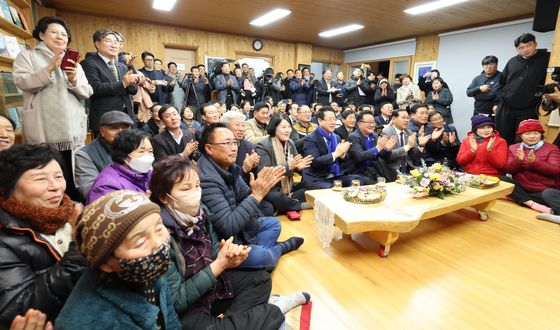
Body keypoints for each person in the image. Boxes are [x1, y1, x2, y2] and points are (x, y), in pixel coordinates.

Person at [150, 157, 309, 329]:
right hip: (188, 309)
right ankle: (271, 312)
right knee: (265, 308)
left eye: (197, 186)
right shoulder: (159, 234)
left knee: (260, 278)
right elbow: (175, 302)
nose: (196, 192)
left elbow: (214, 248)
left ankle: (247, 321)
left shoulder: (201, 212)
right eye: (186, 188)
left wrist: (227, 254)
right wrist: (219, 264)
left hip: (210, 288)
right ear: (164, 197)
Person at [56, 190, 181, 329]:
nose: (158, 244)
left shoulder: (149, 270)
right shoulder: (86, 322)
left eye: (159, 229)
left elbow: (170, 319)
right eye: (140, 242)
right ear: (105, 264)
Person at [0, 144, 87, 326]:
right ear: (8, 188)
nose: (55, 187)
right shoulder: (5, 238)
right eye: (40, 179)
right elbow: (17, 309)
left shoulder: (76, 211)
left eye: (59, 177)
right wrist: (79, 247)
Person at [197, 123, 304, 269]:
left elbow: (246, 195)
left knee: (273, 223)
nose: (234, 148)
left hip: (240, 231)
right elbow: (227, 227)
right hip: (224, 244)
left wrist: (258, 191)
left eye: (235, 142)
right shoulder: (207, 180)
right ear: (209, 148)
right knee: (262, 256)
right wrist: (256, 195)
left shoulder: (230, 167)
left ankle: (259, 256)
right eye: (227, 143)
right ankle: (278, 249)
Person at [13, 16, 93, 201]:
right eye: (54, 32)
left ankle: (73, 210)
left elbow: (87, 91)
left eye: (64, 34)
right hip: (44, 131)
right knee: (46, 173)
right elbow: (21, 82)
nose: (60, 37)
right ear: (41, 35)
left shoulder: (75, 63)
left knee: (71, 176)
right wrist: (49, 68)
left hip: (72, 130)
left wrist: (73, 79)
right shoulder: (28, 56)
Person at [81, 29, 138, 136]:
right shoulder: (88, 63)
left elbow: (133, 91)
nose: (114, 45)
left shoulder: (122, 66)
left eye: (116, 42)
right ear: (97, 44)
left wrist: (132, 82)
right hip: (105, 119)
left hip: (127, 117)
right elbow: (95, 88)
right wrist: (123, 84)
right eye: (109, 41)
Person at [497, 33, 550, 145]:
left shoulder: (547, 58)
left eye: (528, 45)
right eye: (521, 48)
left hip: (529, 108)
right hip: (506, 107)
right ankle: (505, 162)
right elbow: (501, 81)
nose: (525, 50)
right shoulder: (513, 61)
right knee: (503, 137)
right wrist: (501, 98)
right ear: (517, 49)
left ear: (535, 44)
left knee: (526, 140)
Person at [257, 114, 313, 219]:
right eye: (283, 127)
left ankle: (288, 203)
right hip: (271, 188)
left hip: (288, 186)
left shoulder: (290, 143)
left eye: (289, 127)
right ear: (274, 128)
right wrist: (288, 166)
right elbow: (266, 172)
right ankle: (298, 205)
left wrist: (298, 167)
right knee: (274, 197)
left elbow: (296, 163)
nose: (287, 130)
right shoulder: (264, 145)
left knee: (311, 184)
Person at [302, 107, 371, 189]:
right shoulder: (311, 139)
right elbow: (315, 162)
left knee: (361, 181)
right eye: (330, 119)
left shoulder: (336, 137)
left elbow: (344, 159)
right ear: (320, 121)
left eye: (334, 119)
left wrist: (343, 155)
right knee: (333, 189)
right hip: (317, 177)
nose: (333, 122)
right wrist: (336, 154)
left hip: (335, 175)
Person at [501, 119, 560, 213]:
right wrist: (518, 161)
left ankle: (520, 199)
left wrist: (535, 162)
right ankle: (532, 204)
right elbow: (508, 170)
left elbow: (556, 170)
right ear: (520, 135)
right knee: (503, 179)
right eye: (527, 134)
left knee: (547, 195)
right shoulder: (514, 147)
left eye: (536, 133)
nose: (532, 136)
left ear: (541, 134)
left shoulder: (552, 148)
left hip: (543, 190)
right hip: (523, 187)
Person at [74, 111, 133, 200]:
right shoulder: (85, 154)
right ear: (102, 131)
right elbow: (90, 190)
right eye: (114, 128)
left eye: (125, 128)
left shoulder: (137, 147)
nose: (121, 133)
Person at [87, 129, 153, 204]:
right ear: (124, 156)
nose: (148, 156)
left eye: (150, 151)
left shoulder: (148, 174)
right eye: (141, 151)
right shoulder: (106, 185)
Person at [346, 110, 396, 182]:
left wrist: (387, 150)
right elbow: (359, 157)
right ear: (359, 123)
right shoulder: (353, 137)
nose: (372, 125)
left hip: (375, 170)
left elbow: (383, 156)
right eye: (369, 122)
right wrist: (377, 148)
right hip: (359, 171)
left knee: (393, 177)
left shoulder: (375, 136)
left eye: (373, 122)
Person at [381, 108, 423, 180]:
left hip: (408, 168)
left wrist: (421, 146)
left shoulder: (409, 132)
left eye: (408, 118)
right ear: (394, 119)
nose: (406, 120)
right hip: (393, 169)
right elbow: (389, 155)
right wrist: (407, 147)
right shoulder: (386, 132)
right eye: (403, 117)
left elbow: (415, 156)